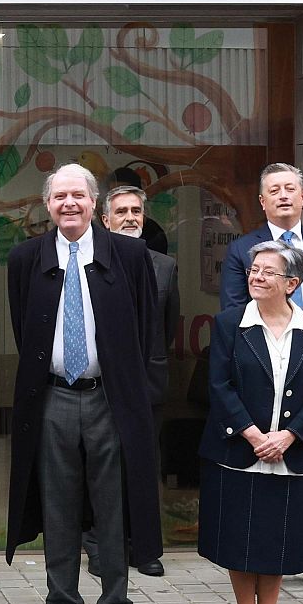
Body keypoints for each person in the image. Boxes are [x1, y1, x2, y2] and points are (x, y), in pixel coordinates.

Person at [5, 164, 160, 604]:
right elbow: (22, 326)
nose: (69, 204)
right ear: (47, 204)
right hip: (51, 398)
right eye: (59, 196)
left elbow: (148, 332)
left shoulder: (130, 257)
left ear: (94, 203)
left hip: (108, 400)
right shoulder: (26, 258)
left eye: (78, 195)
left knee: (113, 509)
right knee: (58, 507)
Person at [218, 163, 303, 593]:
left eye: (290, 189)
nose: (282, 195)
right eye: (273, 190)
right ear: (262, 201)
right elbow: (234, 314)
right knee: (256, 471)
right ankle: (259, 554)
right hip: (258, 381)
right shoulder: (244, 252)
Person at [200, 240, 303, 604]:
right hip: (240, 450)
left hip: (290, 454)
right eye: (253, 269)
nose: (256, 276)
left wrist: (289, 436)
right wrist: (254, 434)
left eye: (267, 272)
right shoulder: (229, 324)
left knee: (277, 537)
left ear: (291, 283)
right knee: (241, 537)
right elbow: (219, 386)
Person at [100, 183, 180, 577]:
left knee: (144, 465)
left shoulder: (164, 266)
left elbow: (168, 328)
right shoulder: (91, 262)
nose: (130, 217)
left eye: (136, 211)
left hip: (147, 382)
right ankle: (101, 544)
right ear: (105, 219)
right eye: (121, 211)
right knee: (100, 465)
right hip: (99, 384)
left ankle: (144, 547)